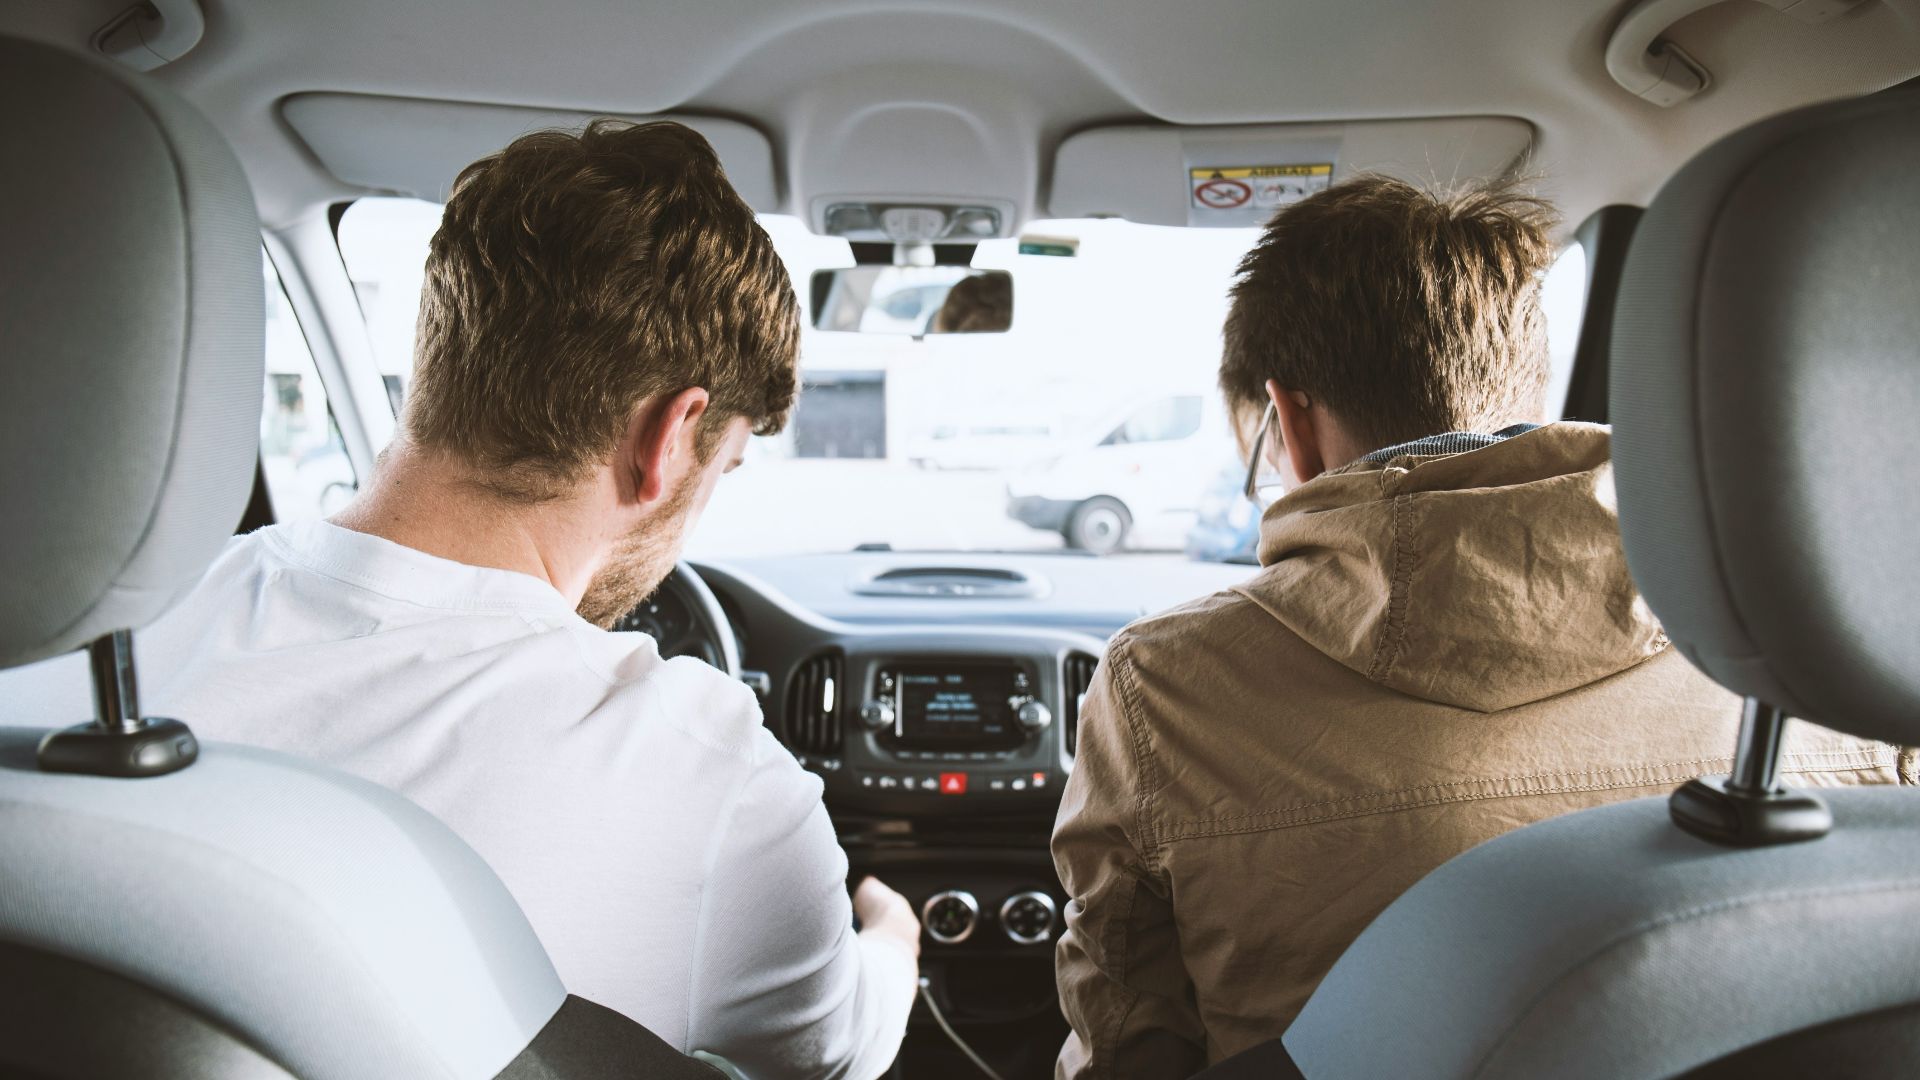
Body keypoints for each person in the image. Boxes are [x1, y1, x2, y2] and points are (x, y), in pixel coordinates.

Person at [1049, 175, 1911, 1078]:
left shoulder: (1166, 681)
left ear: (1291, 424)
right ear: (1526, 387)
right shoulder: (1831, 651)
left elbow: (1128, 1039)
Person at [120, 121, 919, 1078]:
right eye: (727, 467)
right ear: (671, 438)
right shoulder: (711, 772)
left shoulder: (102, 642)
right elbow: (837, 1053)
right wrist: (893, 937)